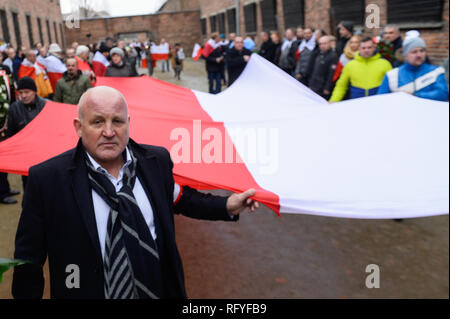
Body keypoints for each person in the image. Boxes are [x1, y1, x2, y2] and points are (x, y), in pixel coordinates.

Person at [11, 86, 259, 299]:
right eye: (98, 122)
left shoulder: (155, 161)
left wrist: (227, 206)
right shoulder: (47, 179)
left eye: (117, 121)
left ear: (129, 123)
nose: (109, 132)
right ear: (79, 126)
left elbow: (180, 198)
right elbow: (27, 259)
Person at [6, 77, 47, 189]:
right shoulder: (15, 108)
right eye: (21, 92)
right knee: (28, 186)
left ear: (34, 91)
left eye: (27, 92)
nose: (24, 96)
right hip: (25, 156)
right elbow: (11, 133)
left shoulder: (46, 106)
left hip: (44, 154)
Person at [377, 37, 448, 101]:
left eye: (422, 51)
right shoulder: (392, 75)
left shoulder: (436, 71)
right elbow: (381, 99)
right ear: (405, 55)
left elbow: (442, 94)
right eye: (414, 52)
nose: (419, 55)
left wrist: (416, 95)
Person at [329, 37, 392, 102]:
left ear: (374, 48)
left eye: (369, 47)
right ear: (359, 49)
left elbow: (392, 85)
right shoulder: (350, 65)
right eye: (363, 48)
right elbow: (341, 86)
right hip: (357, 103)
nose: (366, 50)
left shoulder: (385, 64)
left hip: (379, 101)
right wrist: (333, 101)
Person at [0, 54, 19, 205]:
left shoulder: (5, 71)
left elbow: (11, 93)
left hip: (4, 122)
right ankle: (2, 192)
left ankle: (5, 188)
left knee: (4, 156)